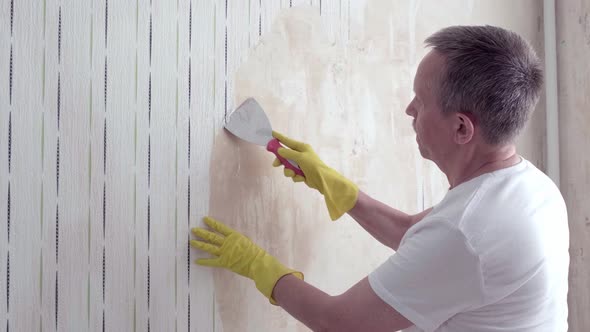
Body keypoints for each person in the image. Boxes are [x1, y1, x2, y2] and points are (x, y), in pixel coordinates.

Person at [190, 25, 569, 331]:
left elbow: (339, 322)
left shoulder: (468, 233)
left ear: (461, 128)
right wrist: (337, 187)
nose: (409, 110)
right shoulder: (533, 188)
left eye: (420, 102)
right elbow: (416, 237)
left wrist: (257, 264)